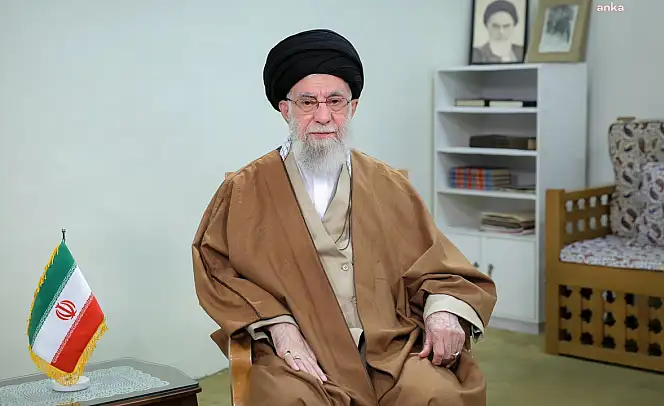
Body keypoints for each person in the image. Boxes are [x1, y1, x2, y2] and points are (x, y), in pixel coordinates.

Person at [192, 28, 497, 406]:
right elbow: (217, 270)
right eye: (308, 102)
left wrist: (442, 313)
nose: (324, 116)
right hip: (300, 351)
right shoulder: (243, 189)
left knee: (436, 394)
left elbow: (440, 267)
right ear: (285, 109)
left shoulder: (389, 184)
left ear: (352, 107)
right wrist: (280, 327)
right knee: (288, 399)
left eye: (335, 101)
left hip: (392, 345)